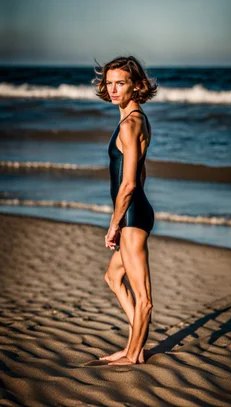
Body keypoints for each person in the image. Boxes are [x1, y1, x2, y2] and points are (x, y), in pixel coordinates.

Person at [92, 55, 157, 365]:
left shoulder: (130, 124)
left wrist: (114, 223)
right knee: (113, 278)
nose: (114, 89)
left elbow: (130, 184)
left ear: (136, 85)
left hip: (131, 216)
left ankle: (133, 356)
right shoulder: (138, 119)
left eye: (121, 83)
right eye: (110, 83)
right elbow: (141, 174)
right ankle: (136, 343)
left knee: (143, 297)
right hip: (136, 212)